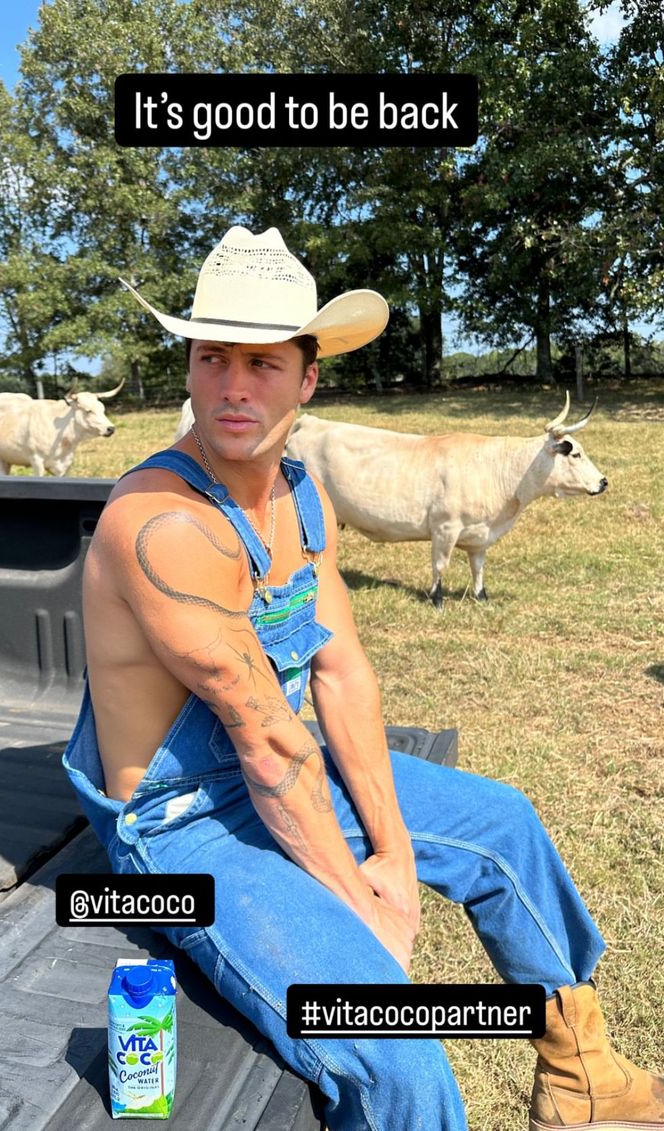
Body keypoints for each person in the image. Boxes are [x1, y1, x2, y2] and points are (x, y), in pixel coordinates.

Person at [63, 225, 664, 1131]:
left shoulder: (301, 493)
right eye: (213, 356)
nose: (233, 385)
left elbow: (339, 671)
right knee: (397, 1048)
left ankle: (585, 1074)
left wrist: (391, 851)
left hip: (280, 764)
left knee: (506, 823)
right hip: (180, 832)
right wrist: (370, 907)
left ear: (309, 379)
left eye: (264, 363)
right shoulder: (161, 523)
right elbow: (266, 743)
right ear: (187, 367)